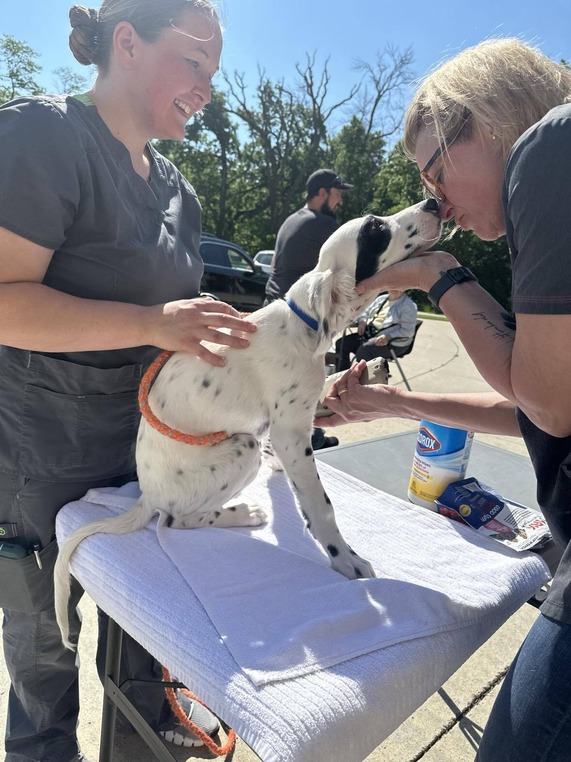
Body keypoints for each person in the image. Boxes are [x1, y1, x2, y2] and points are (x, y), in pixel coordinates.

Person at [0, 2, 259, 761]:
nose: (207, 87)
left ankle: (148, 732)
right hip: (41, 455)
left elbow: (172, 321)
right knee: (45, 650)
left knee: (147, 623)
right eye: (193, 63)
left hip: (146, 451)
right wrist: (154, 326)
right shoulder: (44, 136)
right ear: (126, 43)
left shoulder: (180, 189)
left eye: (213, 73)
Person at [322, 38, 571, 762]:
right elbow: (546, 400)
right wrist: (394, 406)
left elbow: (549, 403)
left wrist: (439, 272)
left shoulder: (548, 146)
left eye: (433, 172)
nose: (436, 203)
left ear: (488, 119)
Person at [264, 168, 353, 449]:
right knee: (304, 386)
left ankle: (282, 440)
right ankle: (309, 440)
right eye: (337, 194)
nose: (339, 202)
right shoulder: (322, 225)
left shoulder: (291, 220)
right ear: (322, 193)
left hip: (272, 309)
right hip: (298, 320)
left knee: (278, 386)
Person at [334, 289, 418, 371]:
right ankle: (343, 376)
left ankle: (361, 382)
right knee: (341, 343)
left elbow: (408, 331)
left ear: (406, 288)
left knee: (365, 350)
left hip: (393, 343)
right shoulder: (381, 299)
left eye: (400, 286)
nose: (395, 288)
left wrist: (388, 336)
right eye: (393, 284)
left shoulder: (409, 306)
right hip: (370, 334)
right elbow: (365, 312)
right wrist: (362, 321)